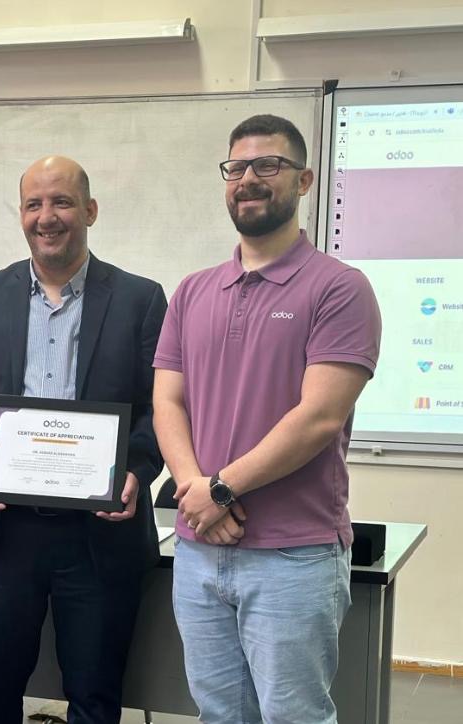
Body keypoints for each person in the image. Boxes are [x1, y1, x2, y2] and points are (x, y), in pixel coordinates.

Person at [152, 115, 382, 724]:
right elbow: (168, 402)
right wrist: (195, 491)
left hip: (293, 555)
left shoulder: (340, 289)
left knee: (294, 716)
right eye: (236, 167)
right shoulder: (193, 291)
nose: (248, 179)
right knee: (219, 714)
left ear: (304, 180)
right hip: (200, 550)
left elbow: (318, 417)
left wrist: (219, 490)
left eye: (267, 165)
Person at [0, 155, 167, 724]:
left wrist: (136, 470)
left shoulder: (141, 299)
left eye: (62, 202)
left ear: (90, 210)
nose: (47, 217)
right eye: (34, 204)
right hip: (2, 533)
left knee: (94, 699)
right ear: (21, 215)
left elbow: (161, 408)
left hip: (98, 537)